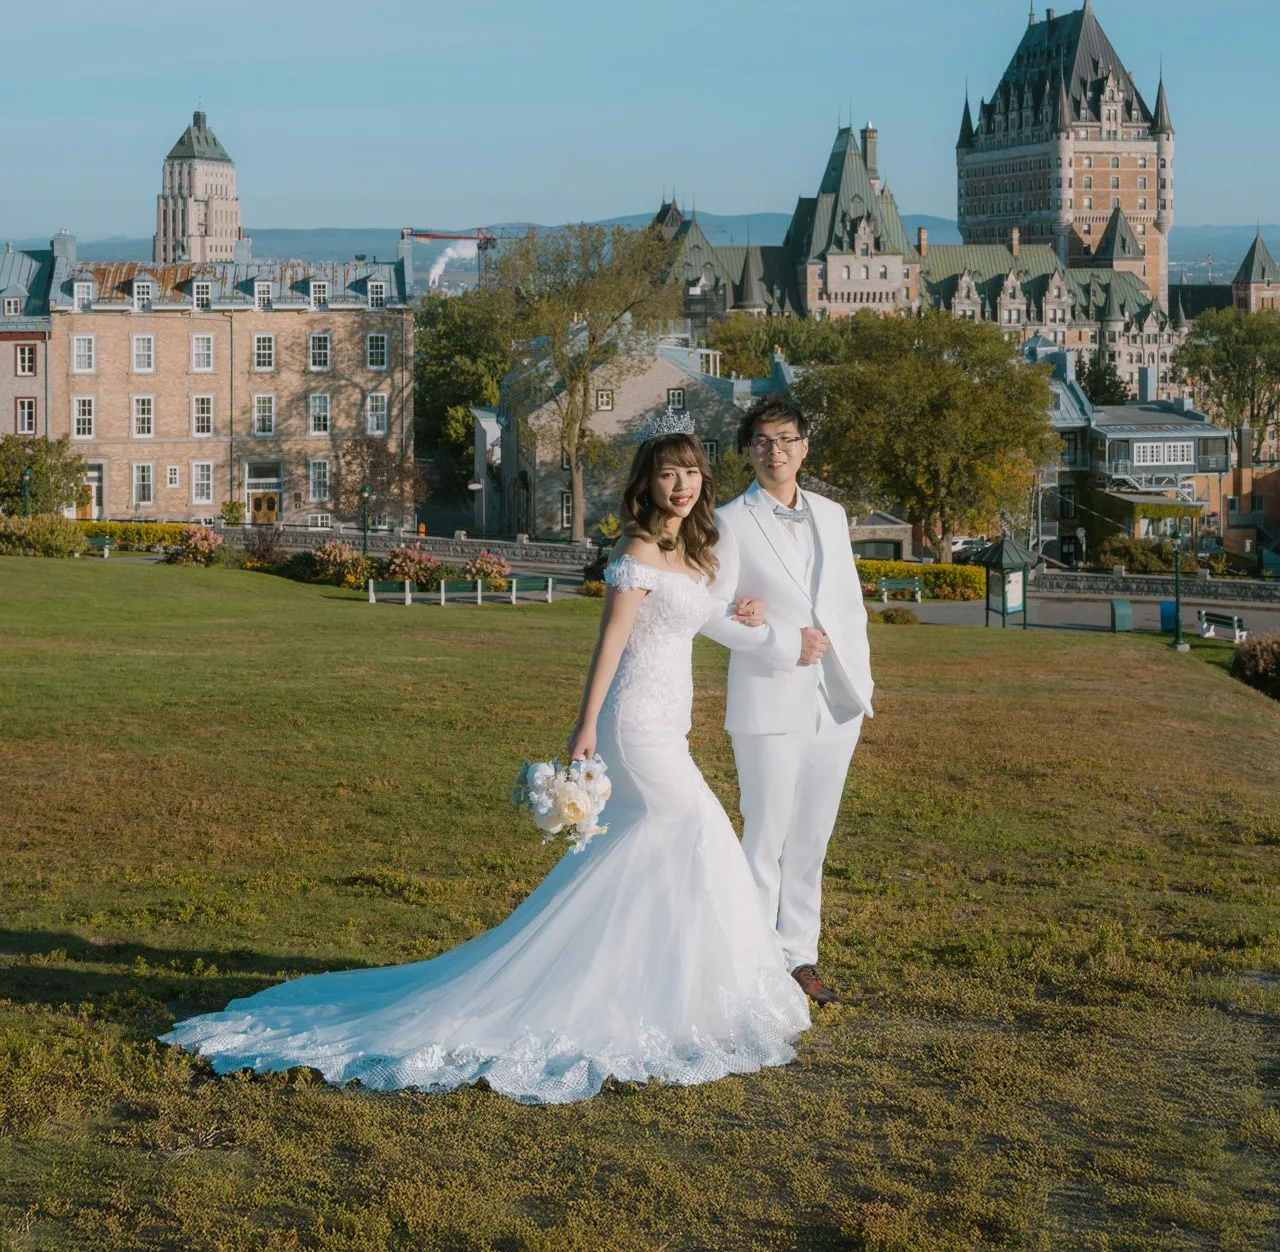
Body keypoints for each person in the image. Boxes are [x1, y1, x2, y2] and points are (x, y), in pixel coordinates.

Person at [161, 410, 823, 1104]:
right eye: (667, 474)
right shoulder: (635, 550)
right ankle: (628, 988)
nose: (681, 485)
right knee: (693, 828)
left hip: (671, 724)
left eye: (690, 473)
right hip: (635, 725)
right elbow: (610, 642)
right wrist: (585, 725)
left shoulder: (691, 553)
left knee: (651, 846)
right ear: (647, 484)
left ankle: (654, 986)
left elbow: (703, 614)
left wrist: (748, 615)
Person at [715, 394, 874, 1007]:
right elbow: (711, 613)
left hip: (837, 700)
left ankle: (799, 958)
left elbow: (846, 603)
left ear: (804, 447)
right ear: (748, 452)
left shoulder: (832, 514)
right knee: (765, 837)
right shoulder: (729, 521)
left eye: (785, 439)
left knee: (811, 839)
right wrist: (777, 638)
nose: (774, 450)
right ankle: (755, 966)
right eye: (762, 441)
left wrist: (861, 681)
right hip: (769, 698)